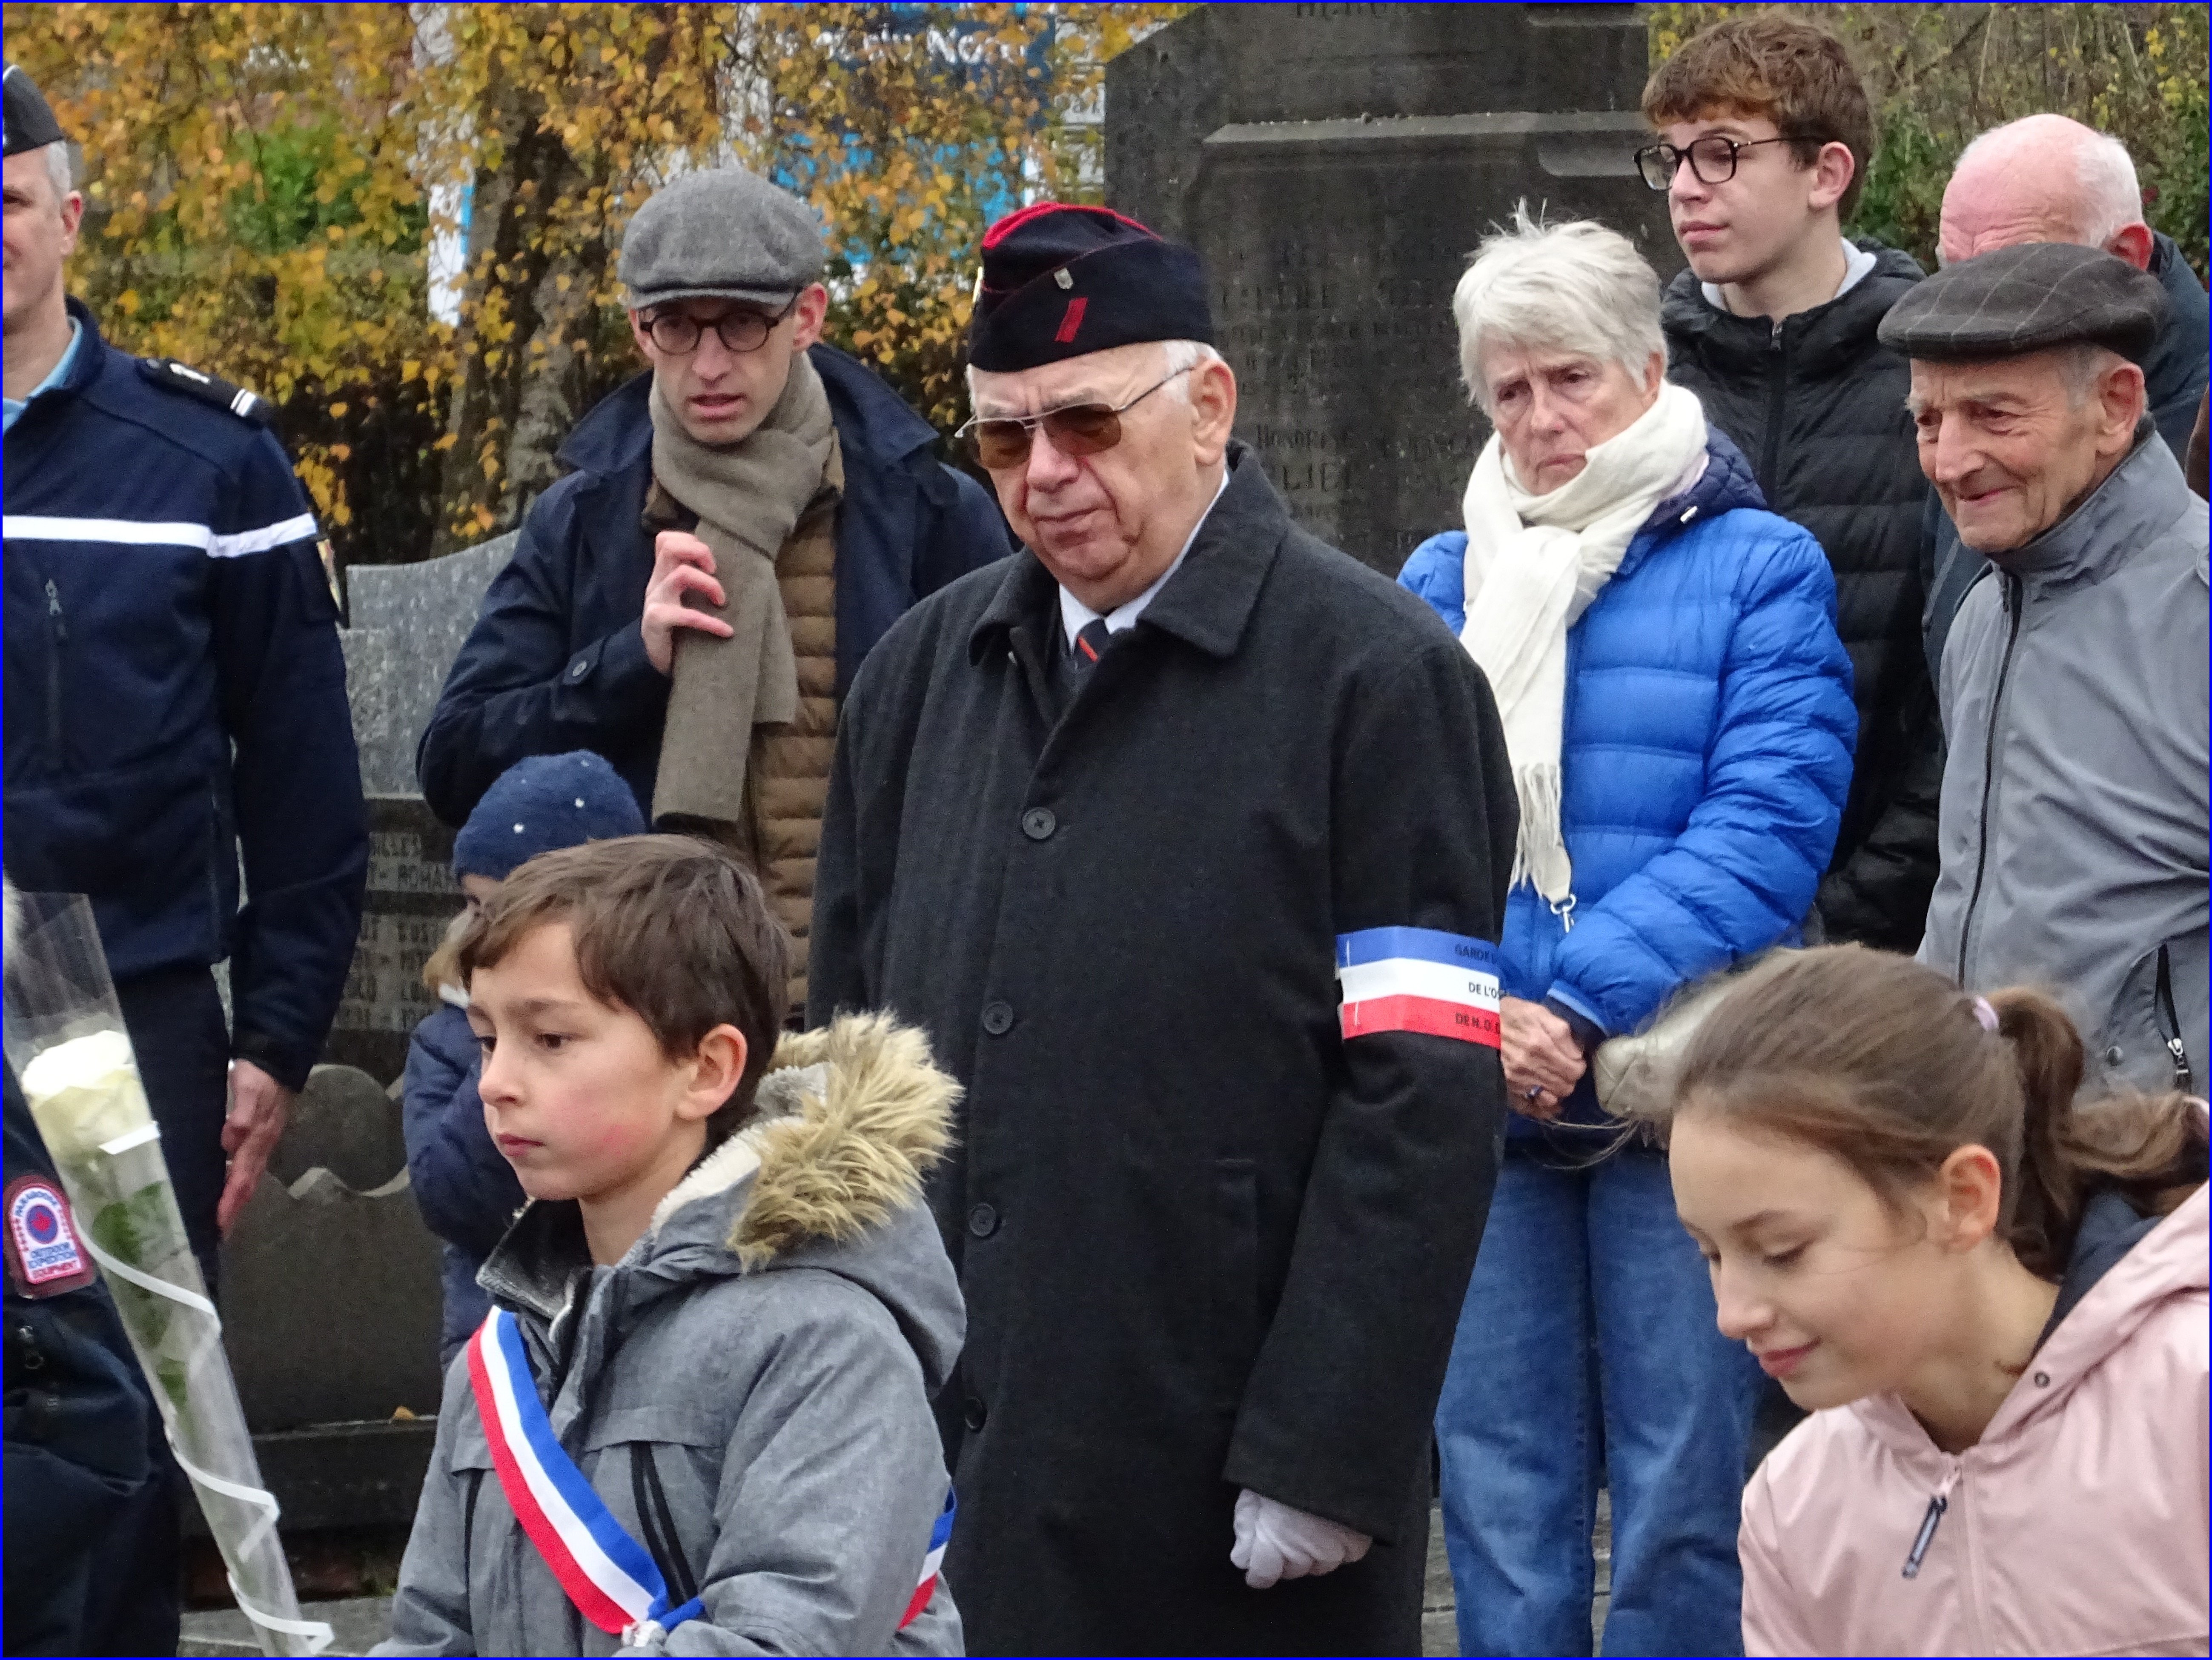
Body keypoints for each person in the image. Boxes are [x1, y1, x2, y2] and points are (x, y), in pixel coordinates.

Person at [809, 201, 1517, 1654]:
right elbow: (849, 1046)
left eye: (1084, 424)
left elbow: (1420, 1100)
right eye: (1003, 442)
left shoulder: (1375, 681)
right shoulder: (920, 676)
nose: (1045, 477)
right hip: (951, 1444)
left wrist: (1327, 1445)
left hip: (1214, 1453)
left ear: (1208, 408)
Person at [1397, 211, 1854, 1658]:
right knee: (1496, 1489)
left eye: (1569, 381)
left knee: (1679, 1492)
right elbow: (1399, 838)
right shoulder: (1437, 582)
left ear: (1646, 371)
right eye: (1508, 390)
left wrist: (1577, 1005)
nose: (1538, 420)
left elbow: (1767, 824)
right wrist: (1488, 1020)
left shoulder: (1760, 563)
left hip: (1683, 1105)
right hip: (1486, 1101)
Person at [416, 166, 1011, 1007]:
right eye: (676, 328)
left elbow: (1008, 768)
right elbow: (454, 767)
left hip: (870, 1018)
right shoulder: (585, 518)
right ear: (637, 331)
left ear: (805, 318)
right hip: (649, 1024)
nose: (708, 364)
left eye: (741, 324)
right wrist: (631, 660)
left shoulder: (928, 511)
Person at [377, 836, 965, 1657]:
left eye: (549, 1039)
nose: (495, 1082)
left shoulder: (827, 1345)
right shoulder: (504, 1353)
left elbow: (789, 1641)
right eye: (487, 1039)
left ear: (706, 1070)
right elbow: (434, 1633)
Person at [2, 63, 367, 1289]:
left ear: (68, 218)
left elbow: (304, 774)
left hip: (118, 1014)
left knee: (143, 1393)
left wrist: (276, 1032)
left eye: (6, 201)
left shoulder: (205, 465)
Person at [1653, 946, 2208, 1658]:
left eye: (1783, 1251)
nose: (1733, 1314)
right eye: (1712, 1255)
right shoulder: (1796, 1507)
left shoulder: (2190, 1402)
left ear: (1961, 1200)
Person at [1641, 16, 1942, 955]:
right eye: (1672, 158)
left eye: (1723, 154)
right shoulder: (1636, 385)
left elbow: (1960, 700)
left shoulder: (1932, 378)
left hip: (1876, 945)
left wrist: (1840, 923)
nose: (1686, 188)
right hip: (1659, 933)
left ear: (1827, 173)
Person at [1884, 241, 2209, 1096]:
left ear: (2114, 404)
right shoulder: (1984, 611)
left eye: (1993, 417)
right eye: (1927, 422)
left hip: (2155, 1188)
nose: (1950, 462)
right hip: (1990, 1157)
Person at [1921, 114, 2212, 675]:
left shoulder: (2201, 427)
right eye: (1953, 274)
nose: (1968, 315)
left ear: (2124, 257)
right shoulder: (1954, 403)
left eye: (2013, 278)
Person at [401, 751, 643, 1367]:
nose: (477, 935)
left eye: (501, 914)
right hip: (500, 1342)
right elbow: (450, 1193)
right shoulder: (446, 1038)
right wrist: (500, 1037)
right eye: (474, 909)